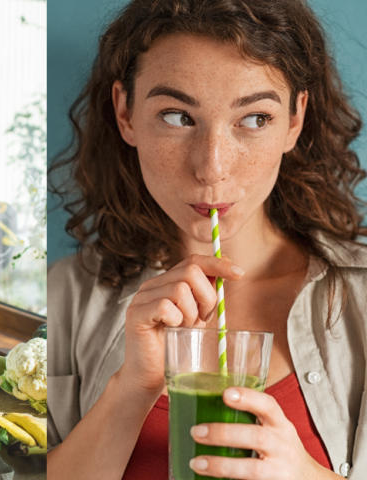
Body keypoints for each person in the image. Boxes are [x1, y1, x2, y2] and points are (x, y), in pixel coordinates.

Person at [44, 1, 367, 478]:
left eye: (254, 119)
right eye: (177, 116)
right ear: (125, 112)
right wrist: (132, 387)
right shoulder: (63, 297)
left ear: (295, 120)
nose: (212, 168)